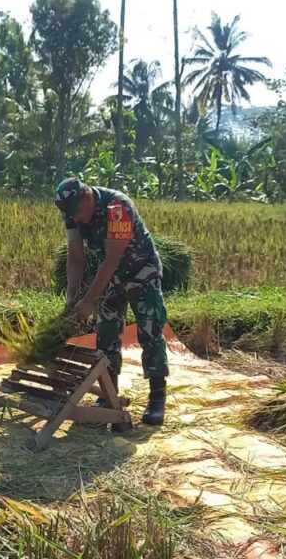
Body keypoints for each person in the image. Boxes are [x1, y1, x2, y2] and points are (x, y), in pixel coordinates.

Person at [54, 177, 169, 427]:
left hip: (141, 271)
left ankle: (156, 400)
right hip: (112, 277)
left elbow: (111, 259)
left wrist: (88, 301)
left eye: (79, 213)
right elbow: (75, 258)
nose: (78, 219)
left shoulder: (117, 207)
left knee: (150, 332)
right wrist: (72, 299)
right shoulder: (71, 211)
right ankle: (109, 396)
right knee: (105, 335)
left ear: (87, 197)